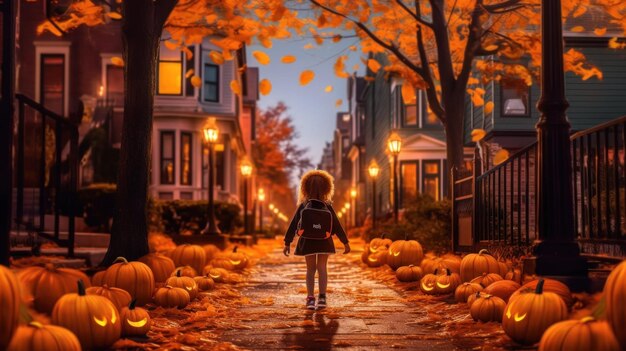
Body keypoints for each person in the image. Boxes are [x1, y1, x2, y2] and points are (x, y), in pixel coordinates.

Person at [283, 170, 351, 310]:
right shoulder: (327, 206)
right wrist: (345, 242)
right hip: (324, 241)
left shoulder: (303, 205)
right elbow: (337, 225)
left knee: (310, 269)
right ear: (327, 188)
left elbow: (294, 223)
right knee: (322, 268)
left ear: (305, 187)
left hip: (307, 241)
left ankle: (310, 298)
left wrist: (287, 242)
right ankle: (322, 298)